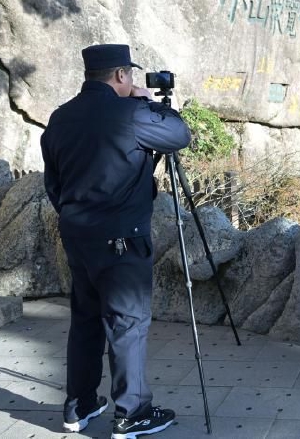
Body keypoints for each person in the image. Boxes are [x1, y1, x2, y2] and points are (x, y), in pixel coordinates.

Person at [41, 44, 191, 438]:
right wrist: (152, 104)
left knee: (86, 320)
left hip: (78, 236)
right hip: (123, 238)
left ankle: (79, 407)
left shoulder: (60, 118)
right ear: (121, 76)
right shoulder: (130, 113)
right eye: (132, 78)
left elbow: (53, 184)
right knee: (127, 323)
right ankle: (132, 412)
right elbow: (179, 134)